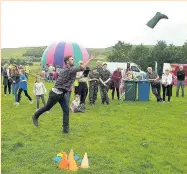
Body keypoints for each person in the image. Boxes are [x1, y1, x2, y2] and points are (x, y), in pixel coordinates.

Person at [32, 55, 94, 134]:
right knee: (47, 108)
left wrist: (80, 76)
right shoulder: (68, 69)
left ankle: (65, 129)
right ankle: (35, 116)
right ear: (67, 61)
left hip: (61, 94)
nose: (73, 60)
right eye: (72, 59)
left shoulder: (69, 70)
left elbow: (74, 76)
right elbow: (81, 68)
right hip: (55, 93)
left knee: (66, 110)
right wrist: (90, 59)